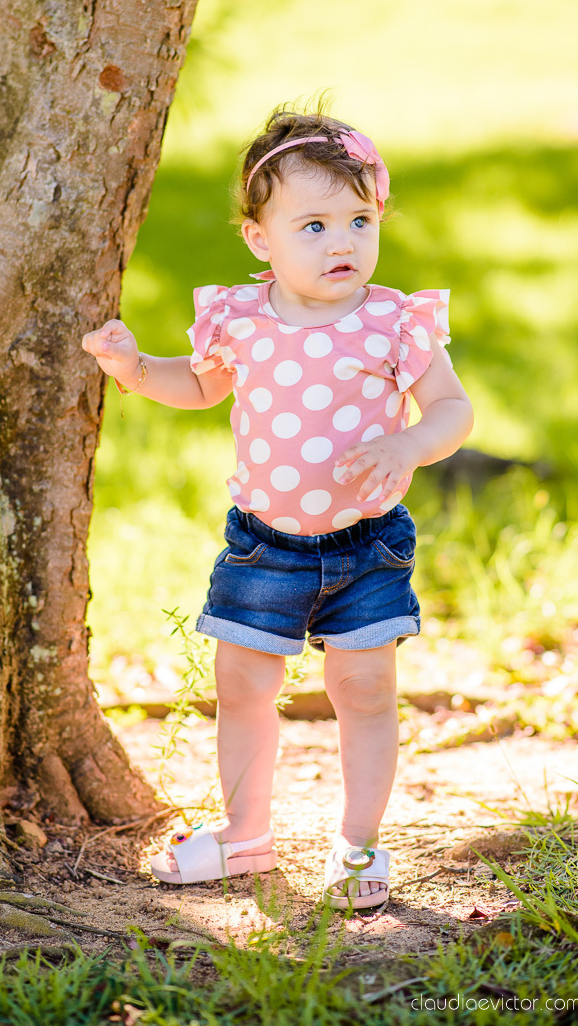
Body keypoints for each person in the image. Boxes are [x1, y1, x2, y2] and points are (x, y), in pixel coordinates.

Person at [82, 109, 473, 910]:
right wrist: (131, 367)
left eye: (360, 221)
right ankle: (244, 835)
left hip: (366, 547)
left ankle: (359, 845)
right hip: (264, 547)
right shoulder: (243, 318)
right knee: (242, 683)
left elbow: (450, 409)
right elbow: (196, 386)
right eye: (315, 224)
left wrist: (408, 447)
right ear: (259, 238)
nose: (342, 243)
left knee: (363, 689)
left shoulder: (391, 322)